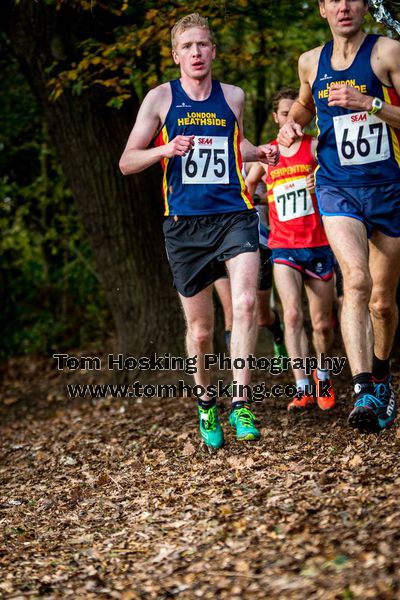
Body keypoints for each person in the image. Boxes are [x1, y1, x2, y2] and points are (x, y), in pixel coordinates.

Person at [119, 13, 279, 449]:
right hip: (184, 225)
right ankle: (206, 400)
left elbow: (232, 143)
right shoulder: (159, 100)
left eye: (203, 44)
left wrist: (260, 152)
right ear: (176, 56)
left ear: (213, 51)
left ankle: (241, 403)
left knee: (245, 303)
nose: (196, 52)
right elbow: (127, 161)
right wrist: (164, 149)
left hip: (234, 213)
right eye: (188, 46)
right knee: (202, 331)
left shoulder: (233, 97)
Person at [278, 0, 400, 432]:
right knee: (356, 280)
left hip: (389, 190)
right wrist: (291, 124)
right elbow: (305, 108)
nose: (343, 6)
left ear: (365, 5)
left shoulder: (387, 52)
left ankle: (382, 377)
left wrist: (370, 103)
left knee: (382, 304)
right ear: (321, 9)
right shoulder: (310, 62)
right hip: (336, 188)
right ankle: (363, 388)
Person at [246, 88, 336, 411]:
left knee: (322, 323)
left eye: (294, 113)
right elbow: (245, 187)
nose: (290, 119)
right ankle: (301, 387)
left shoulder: (314, 147)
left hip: (319, 243)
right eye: (284, 114)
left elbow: (338, 174)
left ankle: (322, 375)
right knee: (293, 314)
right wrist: (254, 201)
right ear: (276, 118)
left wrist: (320, 179)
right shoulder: (268, 154)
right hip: (283, 245)